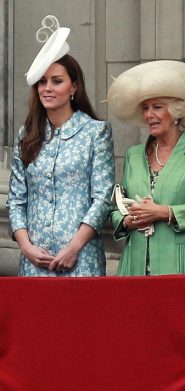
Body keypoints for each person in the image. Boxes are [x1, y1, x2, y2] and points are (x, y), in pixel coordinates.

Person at [7, 19, 115, 276]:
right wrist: (26, 247)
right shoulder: (27, 134)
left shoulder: (95, 132)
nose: (47, 88)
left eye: (56, 81)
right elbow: (16, 200)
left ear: (73, 87)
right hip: (35, 263)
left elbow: (102, 198)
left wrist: (74, 248)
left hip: (81, 260)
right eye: (42, 82)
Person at [107, 60, 185, 276]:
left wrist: (162, 212)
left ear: (177, 111)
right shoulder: (134, 154)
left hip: (181, 262)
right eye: (145, 108)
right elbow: (117, 209)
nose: (149, 114)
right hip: (136, 263)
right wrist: (126, 221)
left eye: (157, 107)